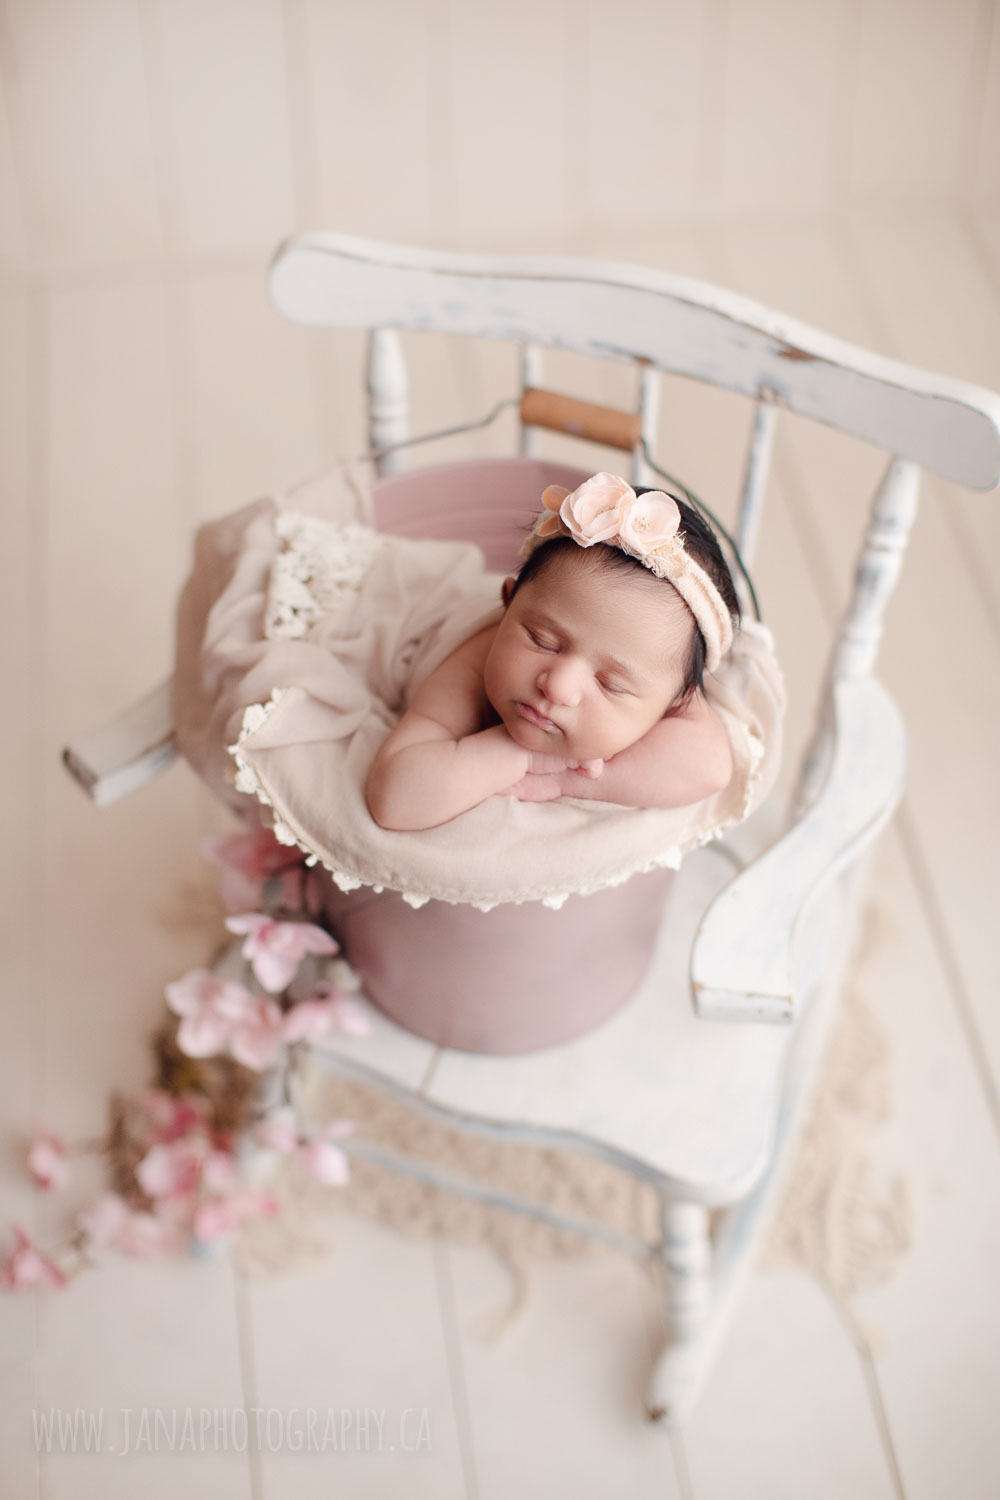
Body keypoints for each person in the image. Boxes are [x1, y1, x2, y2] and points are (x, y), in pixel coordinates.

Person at [365, 472, 740, 831]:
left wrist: (568, 779)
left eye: (610, 683)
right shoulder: (473, 665)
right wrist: (526, 756)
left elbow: (712, 768)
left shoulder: (663, 678)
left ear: (677, 702)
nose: (558, 687)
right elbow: (393, 800)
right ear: (507, 605)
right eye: (542, 641)